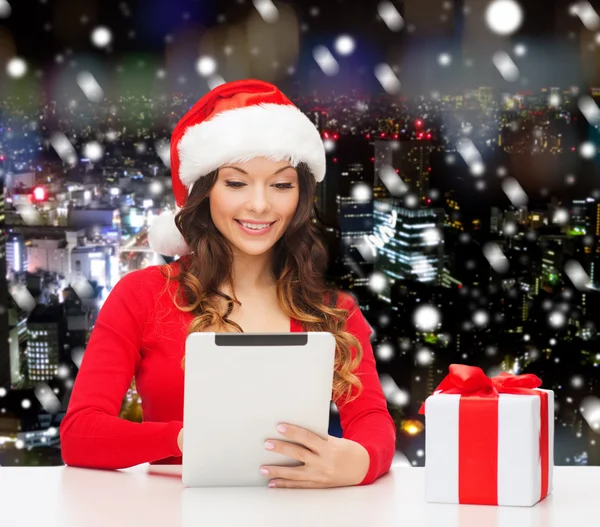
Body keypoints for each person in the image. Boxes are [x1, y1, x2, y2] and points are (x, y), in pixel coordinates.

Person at [59, 79, 396, 488]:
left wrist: (360, 461)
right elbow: (80, 435)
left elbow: (372, 421)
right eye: (236, 183)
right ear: (205, 193)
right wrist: (188, 440)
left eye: (281, 184)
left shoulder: (334, 311)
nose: (260, 204)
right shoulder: (143, 295)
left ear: (301, 196)